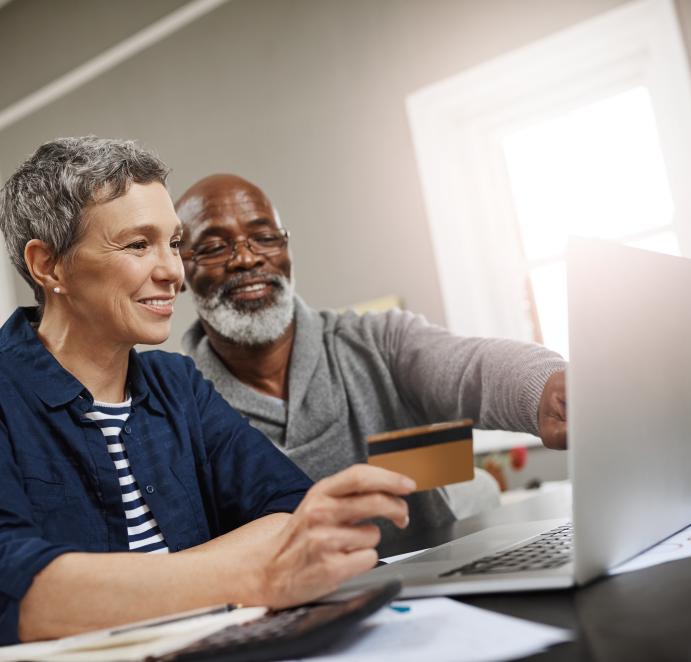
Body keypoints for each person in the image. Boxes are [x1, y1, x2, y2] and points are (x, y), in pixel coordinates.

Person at [0, 137, 415, 645]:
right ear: (48, 266)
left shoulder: (179, 386)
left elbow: (293, 512)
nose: (173, 272)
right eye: (137, 244)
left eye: (173, 243)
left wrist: (111, 589)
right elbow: (25, 596)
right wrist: (251, 575)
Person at [177, 174, 568, 541]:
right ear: (179, 270)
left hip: (433, 592)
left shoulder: (379, 341)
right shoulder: (176, 410)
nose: (246, 259)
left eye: (264, 237)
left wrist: (547, 390)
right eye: (213, 247)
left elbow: (472, 368)